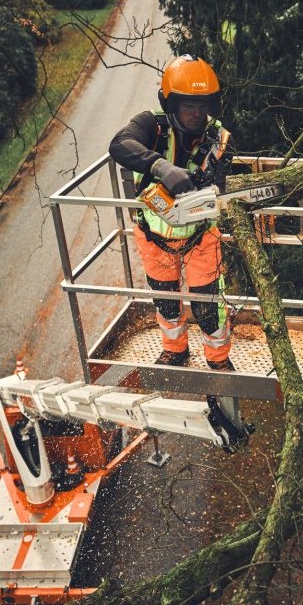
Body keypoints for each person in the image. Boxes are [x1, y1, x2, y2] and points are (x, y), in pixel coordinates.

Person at [109, 54, 235, 371]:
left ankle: (218, 359)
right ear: (170, 102)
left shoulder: (218, 137)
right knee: (165, 300)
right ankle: (174, 350)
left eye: (203, 105)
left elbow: (219, 183)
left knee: (208, 304)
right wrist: (161, 167)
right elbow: (119, 144)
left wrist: (204, 186)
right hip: (153, 235)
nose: (197, 113)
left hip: (199, 234)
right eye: (188, 104)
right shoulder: (151, 125)